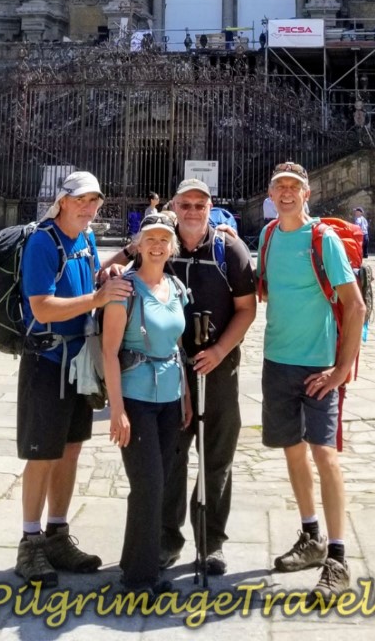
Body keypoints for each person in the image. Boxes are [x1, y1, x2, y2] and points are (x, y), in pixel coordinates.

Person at [15, 170, 131, 587]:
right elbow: (42, 307)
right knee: (41, 454)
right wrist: (97, 299)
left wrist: (107, 275)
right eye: (81, 199)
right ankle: (29, 542)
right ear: (62, 200)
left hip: (79, 361)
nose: (88, 206)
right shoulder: (42, 242)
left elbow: (86, 277)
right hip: (47, 361)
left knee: (70, 451)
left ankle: (58, 533)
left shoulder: (84, 238)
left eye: (94, 200)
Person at [258, 161, 365, 601]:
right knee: (293, 451)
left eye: (293, 188)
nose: (286, 193)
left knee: (325, 454)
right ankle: (310, 537)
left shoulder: (325, 240)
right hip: (277, 360)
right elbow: (263, 289)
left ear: (307, 194)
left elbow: (354, 306)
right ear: (270, 194)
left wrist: (341, 370)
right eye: (279, 187)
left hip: (319, 364)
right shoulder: (266, 237)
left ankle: (338, 559)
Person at [160, 179, 257, 576]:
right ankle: (167, 538)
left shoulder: (229, 248)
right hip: (170, 368)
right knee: (172, 454)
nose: (194, 211)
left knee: (217, 455)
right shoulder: (161, 244)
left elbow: (246, 309)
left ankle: (211, 541)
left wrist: (219, 351)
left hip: (219, 367)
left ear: (210, 206)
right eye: (186, 204)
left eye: (201, 205)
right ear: (175, 207)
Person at [103, 210, 189, 596]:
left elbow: (178, 346)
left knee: (163, 482)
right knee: (148, 484)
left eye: (163, 240)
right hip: (136, 399)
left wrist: (186, 393)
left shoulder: (175, 287)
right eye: (150, 239)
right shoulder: (124, 289)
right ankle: (137, 579)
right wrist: (116, 409)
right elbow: (109, 352)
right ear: (137, 245)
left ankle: (141, 565)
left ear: (172, 247)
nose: (157, 245)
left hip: (170, 398)